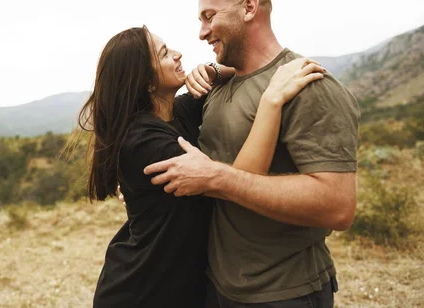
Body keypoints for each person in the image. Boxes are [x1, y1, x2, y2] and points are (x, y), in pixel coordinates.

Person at [144, 0, 360, 308]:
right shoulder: (219, 86)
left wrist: (220, 178)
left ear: (249, 8)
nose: (201, 33)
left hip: (284, 292)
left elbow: (338, 206)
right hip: (217, 284)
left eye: (209, 16)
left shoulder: (308, 85)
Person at [74, 25, 325, 307]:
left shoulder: (176, 112)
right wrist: (271, 101)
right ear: (146, 80)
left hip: (180, 285)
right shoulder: (144, 142)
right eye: (165, 53)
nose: (179, 55)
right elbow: (237, 181)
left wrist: (210, 70)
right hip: (145, 290)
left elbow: (235, 72)